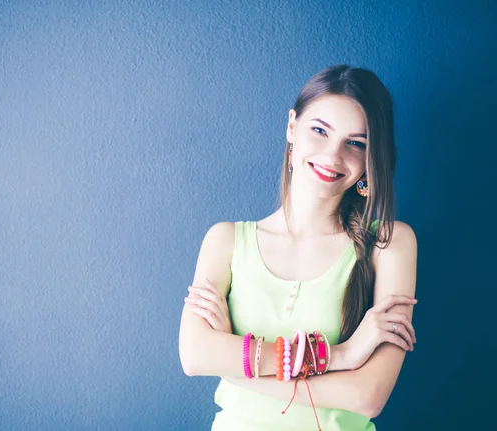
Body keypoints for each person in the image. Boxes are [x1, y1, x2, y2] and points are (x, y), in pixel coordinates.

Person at [178, 64, 418, 431]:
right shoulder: (225, 240)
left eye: (355, 143)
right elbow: (194, 356)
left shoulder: (389, 243)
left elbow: (368, 396)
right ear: (292, 127)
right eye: (319, 130)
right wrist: (339, 355)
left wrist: (234, 360)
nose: (333, 156)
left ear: (371, 157)